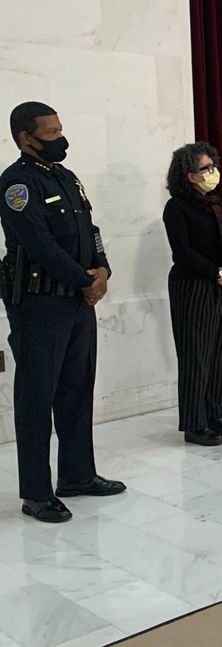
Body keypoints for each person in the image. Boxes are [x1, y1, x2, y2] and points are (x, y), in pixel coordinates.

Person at [1, 102, 126, 523]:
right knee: (37, 397)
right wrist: (84, 279)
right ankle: (36, 493)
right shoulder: (16, 184)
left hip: (75, 301)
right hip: (39, 304)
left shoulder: (66, 178)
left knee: (76, 389)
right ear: (26, 138)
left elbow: (90, 230)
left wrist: (104, 269)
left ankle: (77, 475)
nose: (60, 139)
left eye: (59, 130)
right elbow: (38, 244)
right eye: (50, 133)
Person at [163, 142, 222, 446]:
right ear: (189, 175)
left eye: (213, 165)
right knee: (196, 354)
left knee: (221, 351)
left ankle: (216, 414)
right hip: (193, 285)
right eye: (205, 168)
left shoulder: (217, 203)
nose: (212, 172)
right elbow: (181, 252)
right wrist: (218, 273)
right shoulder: (176, 207)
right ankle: (195, 424)